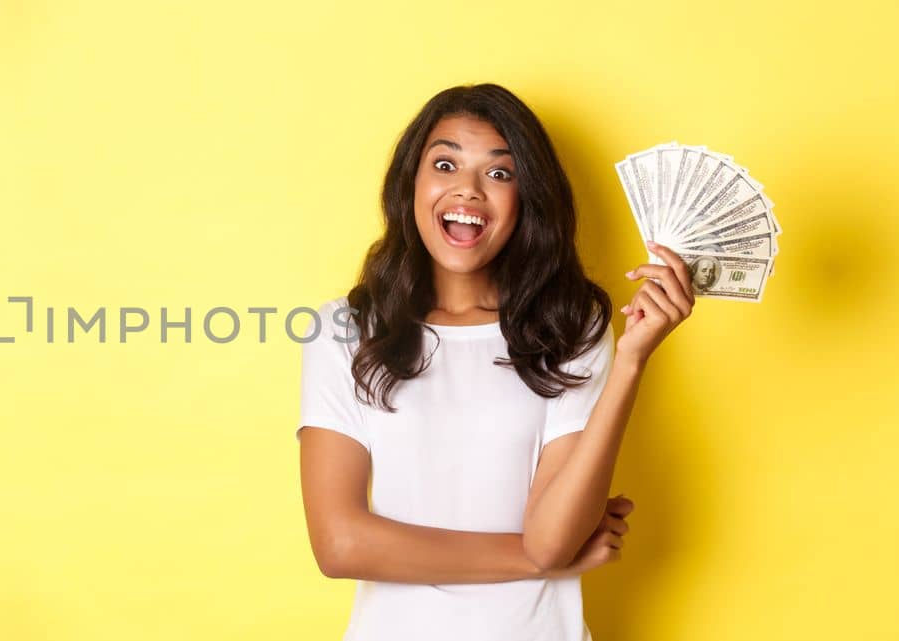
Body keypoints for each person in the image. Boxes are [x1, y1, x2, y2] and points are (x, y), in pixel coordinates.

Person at [295, 84, 695, 641]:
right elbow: (339, 545)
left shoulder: (571, 329)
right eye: (445, 163)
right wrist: (534, 561)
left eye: (500, 174)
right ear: (411, 183)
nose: (469, 189)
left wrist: (630, 361)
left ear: (527, 199)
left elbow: (553, 539)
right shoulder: (344, 329)